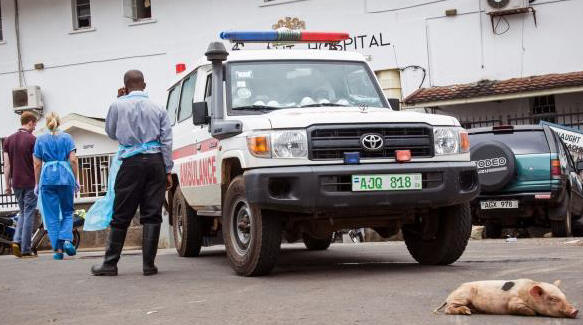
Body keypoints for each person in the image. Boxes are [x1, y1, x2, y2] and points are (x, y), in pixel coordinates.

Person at [91, 69, 173, 276]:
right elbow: (166, 141)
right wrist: (168, 170)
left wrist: (120, 100)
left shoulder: (117, 105)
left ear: (125, 87)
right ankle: (148, 265)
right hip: (155, 162)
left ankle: (110, 264)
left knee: (121, 213)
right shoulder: (158, 108)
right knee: (152, 214)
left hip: (131, 163)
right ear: (144, 85)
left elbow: (110, 132)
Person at [33, 112, 79, 260]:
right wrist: (76, 179)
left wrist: (36, 183)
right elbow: (73, 160)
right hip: (65, 177)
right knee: (67, 211)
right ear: (59, 122)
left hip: (47, 179)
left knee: (51, 216)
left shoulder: (40, 140)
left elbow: (37, 164)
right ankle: (66, 239)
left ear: (47, 123)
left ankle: (58, 251)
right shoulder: (67, 138)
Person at [3, 112, 38, 258]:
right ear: (29, 122)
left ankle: (17, 241)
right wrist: (38, 182)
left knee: (23, 212)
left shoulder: (8, 140)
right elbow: (36, 163)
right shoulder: (33, 139)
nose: (35, 127)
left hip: (16, 183)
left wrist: (7, 185)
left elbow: (6, 165)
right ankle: (25, 248)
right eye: (34, 124)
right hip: (30, 182)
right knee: (29, 213)